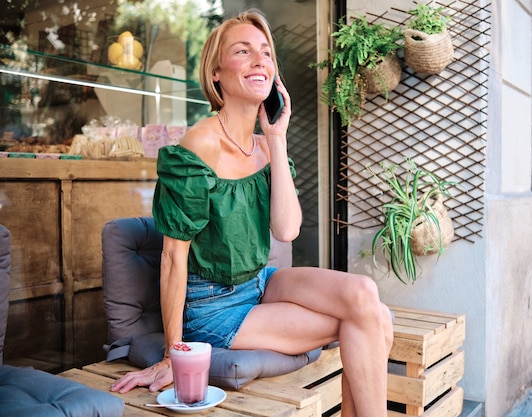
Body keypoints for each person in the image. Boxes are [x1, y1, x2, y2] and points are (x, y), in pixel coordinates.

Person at [110, 9, 393, 416]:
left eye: (266, 53)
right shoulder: (199, 145)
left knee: (365, 294)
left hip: (259, 282)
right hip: (212, 306)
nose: (260, 60)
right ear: (216, 74)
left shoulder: (265, 146)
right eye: (243, 52)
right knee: (371, 321)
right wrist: (176, 353)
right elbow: (174, 256)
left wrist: (276, 139)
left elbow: (287, 229)